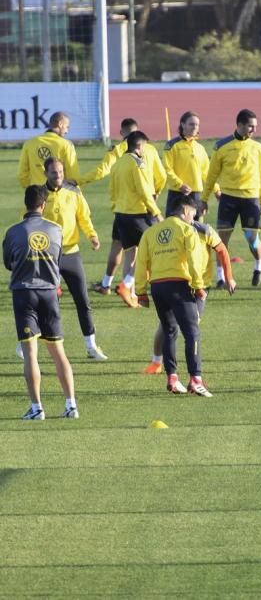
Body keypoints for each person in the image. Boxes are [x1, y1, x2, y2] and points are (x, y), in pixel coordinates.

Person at [3, 185, 79, 419]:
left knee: (30, 353)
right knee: (59, 353)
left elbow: (8, 262)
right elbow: (57, 260)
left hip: (24, 294)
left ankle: (37, 408)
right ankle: (71, 405)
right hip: (49, 294)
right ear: (43, 205)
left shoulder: (13, 232)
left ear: (25, 204)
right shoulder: (56, 230)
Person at [134, 196, 212, 396]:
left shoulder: (150, 232)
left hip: (158, 287)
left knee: (169, 330)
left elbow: (141, 262)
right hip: (179, 285)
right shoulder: (187, 230)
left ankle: (173, 378)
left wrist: (141, 291)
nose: (193, 219)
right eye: (193, 215)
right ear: (186, 210)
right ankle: (196, 379)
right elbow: (194, 260)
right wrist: (199, 285)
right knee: (192, 332)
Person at [143, 208, 236, 374]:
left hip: (200, 286)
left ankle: (180, 369)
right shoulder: (171, 231)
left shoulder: (204, 230)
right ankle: (161, 363)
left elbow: (222, 250)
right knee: (171, 327)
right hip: (180, 284)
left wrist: (229, 278)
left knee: (184, 326)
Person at [82, 117, 166, 295]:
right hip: (141, 210)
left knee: (125, 249)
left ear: (123, 134)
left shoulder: (118, 157)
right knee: (151, 250)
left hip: (121, 211)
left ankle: (115, 286)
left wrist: (80, 181)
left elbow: (108, 181)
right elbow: (156, 181)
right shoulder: (143, 155)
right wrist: (155, 202)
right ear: (139, 141)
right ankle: (128, 284)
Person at [38, 157, 107, 360]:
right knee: (47, 302)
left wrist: (92, 236)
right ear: (46, 174)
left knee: (83, 300)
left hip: (71, 253)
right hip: (48, 256)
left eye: (60, 172)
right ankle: (28, 344)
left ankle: (91, 347)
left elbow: (83, 217)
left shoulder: (74, 191)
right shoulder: (40, 194)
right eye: (53, 172)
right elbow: (31, 220)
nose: (58, 176)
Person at [201, 108, 261, 287]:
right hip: (228, 199)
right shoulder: (221, 146)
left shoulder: (259, 148)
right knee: (221, 240)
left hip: (251, 199)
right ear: (239, 125)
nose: (254, 130)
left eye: (255, 126)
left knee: (252, 239)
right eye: (250, 126)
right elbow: (211, 175)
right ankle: (221, 277)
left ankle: (259, 265)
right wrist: (204, 198)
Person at [110, 130, 163, 307]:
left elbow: (112, 190)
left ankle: (131, 296)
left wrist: (116, 207)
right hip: (139, 214)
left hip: (121, 214)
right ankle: (126, 285)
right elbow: (143, 191)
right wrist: (156, 212)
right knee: (150, 255)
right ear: (139, 146)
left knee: (130, 254)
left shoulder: (118, 164)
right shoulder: (137, 163)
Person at [163, 111, 220, 219]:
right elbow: (167, 169)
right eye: (191, 124)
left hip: (196, 195)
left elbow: (207, 173)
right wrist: (180, 184)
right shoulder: (171, 146)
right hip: (177, 194)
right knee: (175, 229)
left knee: (197, 230)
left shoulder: (200, 148)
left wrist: (216, 190)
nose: (195, 127)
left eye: (197, 125)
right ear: (183, 124)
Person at [17, 111, 81, 187]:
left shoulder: (29, 144)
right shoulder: (66, 145)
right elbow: (73, 176)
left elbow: (22, 175)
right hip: (59, 195)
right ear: (60, 124)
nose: (67, 131)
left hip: (37, 195)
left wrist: (32, 191)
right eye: (67, 127)